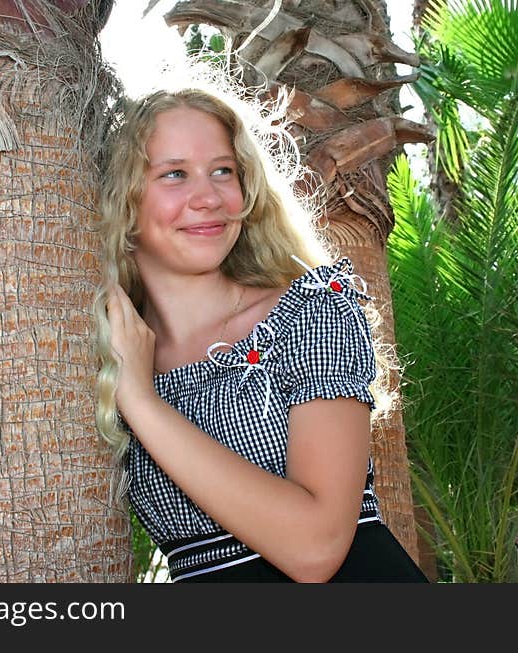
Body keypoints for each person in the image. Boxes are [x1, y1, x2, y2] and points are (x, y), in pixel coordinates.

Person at [93, 82, 427, 583]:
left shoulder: (311, 312)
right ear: (122, 199)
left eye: (223, 171)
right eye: (175, 174)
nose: (208, 198)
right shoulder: (101, 348)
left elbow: (317, 550)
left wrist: (143, 403)